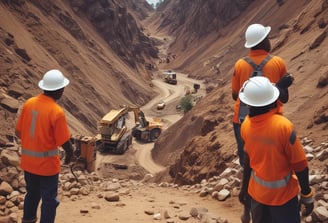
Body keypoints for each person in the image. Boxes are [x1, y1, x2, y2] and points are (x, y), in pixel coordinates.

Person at [231, 23, 294, 222]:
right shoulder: (278, 63)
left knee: (249, 165)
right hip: (272, 123)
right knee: (273, 166)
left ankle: (247, 210)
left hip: (243, 122)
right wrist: (280, 85)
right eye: (268, 37)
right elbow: (283, 98)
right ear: (264, 41)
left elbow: (235, 95)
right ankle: (274, 208)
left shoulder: (240, 64)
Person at [238, 76, 314, 223]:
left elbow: (248, 160)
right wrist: (306, 194)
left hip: (258, 196)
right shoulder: (283, 127)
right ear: (272, 99)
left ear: (247, 103)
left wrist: (244, 188)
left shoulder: (246, 125)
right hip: (283, 199)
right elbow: (300, 165)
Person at [15, 69, 74, 223]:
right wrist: (70, 154)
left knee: (32, 195)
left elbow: (18, 132)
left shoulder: (29, 104)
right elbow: (65, 142)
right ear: (59, 90)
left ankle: (28, 220)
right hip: (47, 167)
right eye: (62, 88)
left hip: (28, 163)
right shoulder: (56, 112)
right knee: (49, 201)